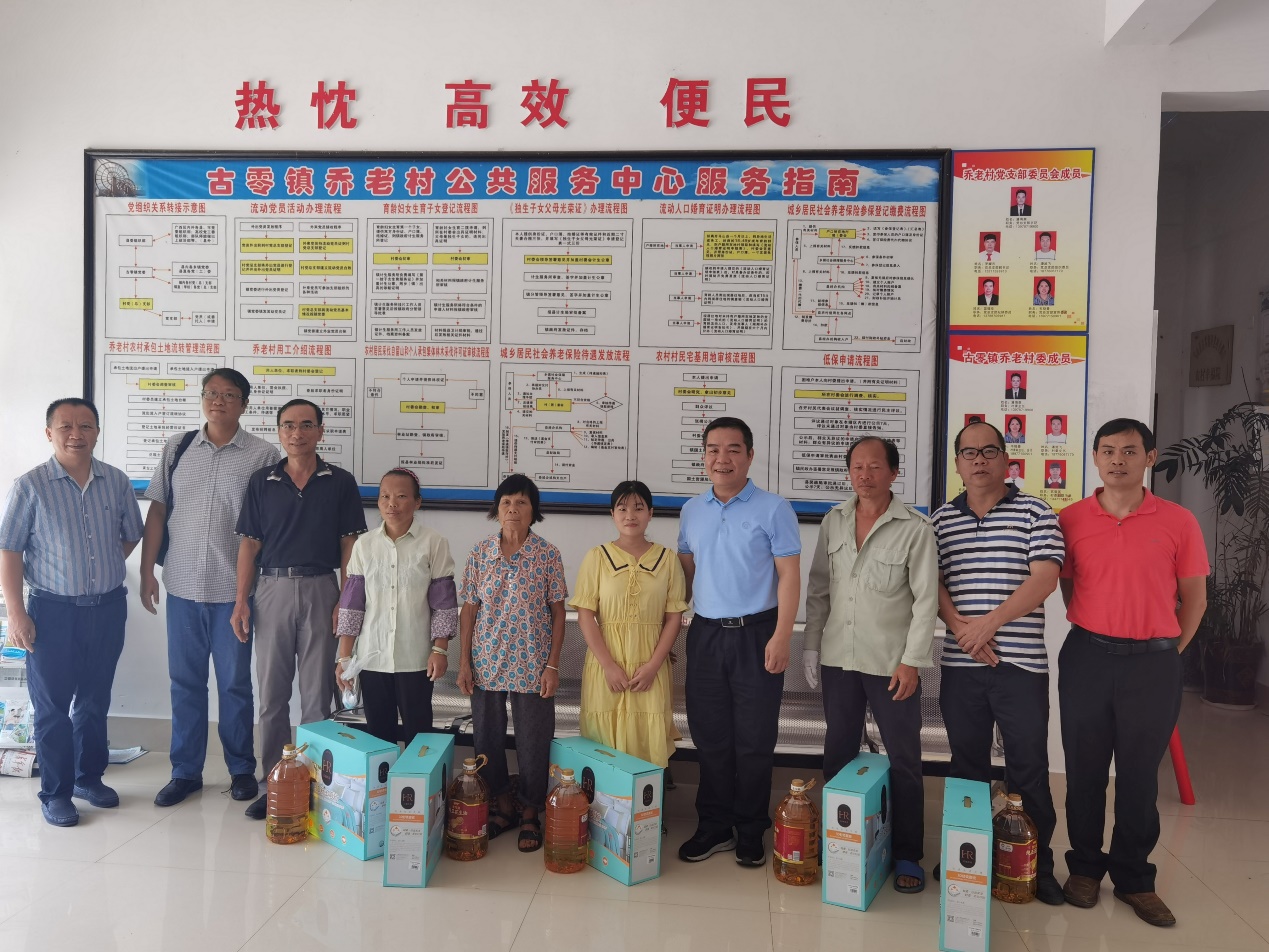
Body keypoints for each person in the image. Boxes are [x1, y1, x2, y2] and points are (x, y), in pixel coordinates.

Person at [1056, 419, 1208, 927]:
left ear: (1150, 457)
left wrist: (1167, 652)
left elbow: (1195, 599)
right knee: (1084, 768)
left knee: (1140, 775)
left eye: (1128, 450)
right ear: (1095, 458)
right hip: (1087, 657)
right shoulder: (1071, 519)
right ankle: (1083, 868)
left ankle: (1135, 879)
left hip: (1154, 663)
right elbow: (1069, 587)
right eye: (1107, 451)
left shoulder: (1179, 521)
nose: (1117, 460)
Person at [932, 421, 1066, 905]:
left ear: (1006, 459)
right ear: (957, 463)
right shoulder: (940, 520)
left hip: (1021, 667)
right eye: (969, 453)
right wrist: (961, 629)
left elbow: (1044, 579)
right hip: (961, 664)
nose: (979, 460)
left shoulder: (1036, 512)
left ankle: (1037, 865)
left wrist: (987, 624)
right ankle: (965, 857)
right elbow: (931, 584)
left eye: (989, 451)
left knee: (1027, 768)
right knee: (966, 766)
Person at [803, 436, 938, 893]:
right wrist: (811, 646)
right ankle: (839, 840)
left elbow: (926, 602)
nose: (864, 474)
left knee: (904, 758)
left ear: (893, 472)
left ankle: (907, 853)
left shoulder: (915, 528)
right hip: (839, 659)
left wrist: (912, 661)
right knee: (838, 751)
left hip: (891, 663)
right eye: (857, 466)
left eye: (875, 466)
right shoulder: (834, 521)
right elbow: (819, 588)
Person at [139, 369, 279, 808]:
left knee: (235, 684)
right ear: (202, 398)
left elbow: (266, 527)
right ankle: (185, 772)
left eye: (229, 395)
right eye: (212, 393)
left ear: (244, 404)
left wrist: (246, 592)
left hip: (233, 592)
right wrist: (146, 571)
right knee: (184, 683)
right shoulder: (177, 447)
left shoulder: (263, 454)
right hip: (181, 585)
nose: (218, 401)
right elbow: (157, 511)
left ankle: (241, 769)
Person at [0, 398, 144, 827]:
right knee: (52, 707)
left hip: (108, 609)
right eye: (65, 426)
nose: (76, 434)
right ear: (50, 433)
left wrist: (99, 570)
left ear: (97, 432)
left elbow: (130, 535)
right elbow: (9, 550)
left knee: (95, 700)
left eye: (85, 426)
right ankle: (56, 793)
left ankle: (88, 778)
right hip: (52, 612)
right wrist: (17, 613)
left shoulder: (115, 481)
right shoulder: (30, 486)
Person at [233, 398, 366, 820]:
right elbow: (249, 544)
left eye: (307, 424)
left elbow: (349, 544)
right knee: (272, 696)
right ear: (279, 431)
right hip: (271, 589)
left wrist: (346, 601)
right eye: (289, 425)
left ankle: (313, 784)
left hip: (322, 589)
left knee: (317, 697)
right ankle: (276, 782)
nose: (297, 432)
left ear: (320, 431)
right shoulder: (262, 481)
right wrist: (241, 600)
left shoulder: (340, 482)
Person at [676, 417, 801, 867]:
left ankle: (750, 829)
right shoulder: (692, 510)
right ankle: (714, 826)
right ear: (704, 456)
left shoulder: (774, 508)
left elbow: (789, 577)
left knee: (754, 739)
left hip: (757, 634)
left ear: (749, 455)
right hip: (706, 635)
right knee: (710, 737)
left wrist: (782, 635)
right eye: (713, 449)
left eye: (733, 449)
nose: (722, 458)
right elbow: (686, 572)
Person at [457, 474, 567, 852]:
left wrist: (553, 666)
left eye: (521, 502)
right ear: (497, 509)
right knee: (486, 737)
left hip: (533, 663)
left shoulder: (547, 554)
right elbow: (469, 610)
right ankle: (502, 805)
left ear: (533, 510)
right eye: (506, 502)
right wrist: (464, 662)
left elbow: (558, 613)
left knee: (534, 739)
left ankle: (531, 811)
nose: (513, 509)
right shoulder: (480, 553)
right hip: (486, 661)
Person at [335, 469, 457, 745]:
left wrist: (439, 649)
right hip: (372, 657)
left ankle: (418, 776)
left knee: (419, 734)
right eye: (385, 497)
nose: (392, 504)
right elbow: (352, 606)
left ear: (417, 502)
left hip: (415, 658)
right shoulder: (364, 545)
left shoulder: (433, 542)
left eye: (401, 496)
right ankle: (384, 775)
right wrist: (344, 659)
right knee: (379, 737)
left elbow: (444, 604)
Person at [571, 480, 687, 768]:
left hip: (650, 666)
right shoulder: (597, 557)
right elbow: (585, 615)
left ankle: (647, 798)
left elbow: (673, 618)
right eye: (622, 508)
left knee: (647, 739)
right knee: (603, 743)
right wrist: (609, 666)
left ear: (651, 513)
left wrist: (653, 666)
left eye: (638, 508)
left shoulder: (667, 560)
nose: (630, 515)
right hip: (605, 665)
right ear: (612, 514)